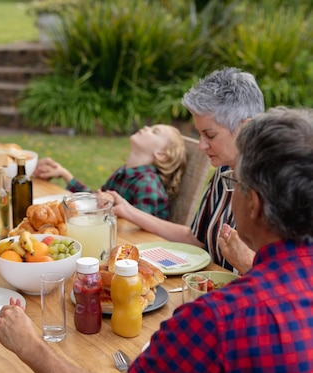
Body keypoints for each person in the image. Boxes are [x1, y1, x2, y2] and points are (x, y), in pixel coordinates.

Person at [0, 106, 313, 373]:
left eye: (236, 185)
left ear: (253, 203)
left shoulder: (216, 318)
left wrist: (29, 346)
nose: (233, 193)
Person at [105, 67, 263, 272]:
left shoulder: (281, 186)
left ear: (245, 129)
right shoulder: (224, 172)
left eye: (210, 135)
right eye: (200, 135)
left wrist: (248, 264)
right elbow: (195, 239)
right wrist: (128, 211)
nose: (201, 146)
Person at [33, 124, 186, 220]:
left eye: (155, 131)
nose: (146, 128)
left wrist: (111, 208)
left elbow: (141, 223)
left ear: (161, 154)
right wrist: (65, 174)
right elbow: (96, 200)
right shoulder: (124, 172)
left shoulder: (148, 184)